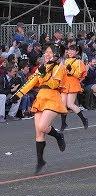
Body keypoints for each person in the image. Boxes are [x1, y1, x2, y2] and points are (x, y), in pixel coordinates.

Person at [9, 45, 67, 173]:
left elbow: (54, 84)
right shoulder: (41, 68)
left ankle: (58, 135)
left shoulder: (59, 67)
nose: (47, 54)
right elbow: (31, 83)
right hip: (41, 98)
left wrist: (45, 71)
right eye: (46, 52)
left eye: (50, 52)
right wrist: (17, 95)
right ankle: (40, 161)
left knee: (42, 126)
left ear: (57, 55)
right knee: (39, 133)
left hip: (53, 98)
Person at [58, 43, 89, 131]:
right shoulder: (65, 60)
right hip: (64, 83)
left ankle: (84, 119)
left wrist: (70, 71)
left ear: (76, 52)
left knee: (70, 104)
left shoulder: (78, 62)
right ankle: (63, 124)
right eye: (69, 50)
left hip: (73, 83)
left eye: (73, 50)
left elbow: (79, 75)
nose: (70, 52)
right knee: (63, 105)